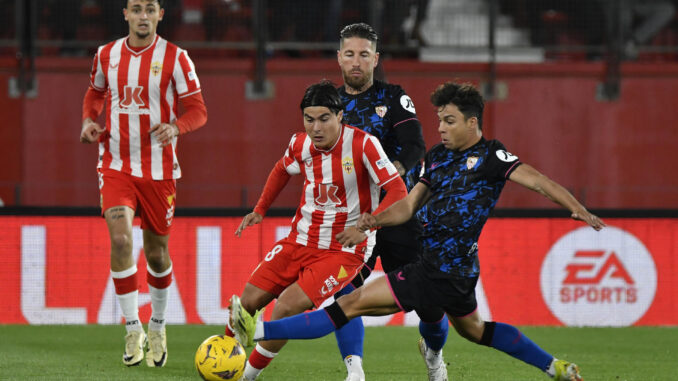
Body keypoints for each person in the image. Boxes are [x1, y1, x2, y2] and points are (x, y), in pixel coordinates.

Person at [233, 81, 606, 381]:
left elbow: (538, 181)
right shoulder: (438, 158)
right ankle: (553, 367)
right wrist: (373, 221)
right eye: (440, 120)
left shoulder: (492, 156)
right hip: (456, 270)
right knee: (475, 330)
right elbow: (409, 205)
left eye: (449, 121)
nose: (440, 128)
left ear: (472, 123)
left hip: (434, 269)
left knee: (346, 305)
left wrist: (577, 208)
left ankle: (260, 333)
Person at [225, 80, 408, 381]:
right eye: (309, 119)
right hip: (300, 239)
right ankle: (223, 359)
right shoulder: (300, 144)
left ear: (340, 116)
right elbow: (281, 169)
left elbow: (398, 189)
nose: (316, 127)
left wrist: (368, 225)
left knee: (286, 307)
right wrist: (259, 209)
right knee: (247, 300)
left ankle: (246, 375)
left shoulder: (363, 144)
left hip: (344, 250)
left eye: (324, 118)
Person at [79, 0, 207, 367]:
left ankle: (159, 324)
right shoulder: (106, 55)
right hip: (116, 165)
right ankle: (133, 325)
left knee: (156, 254)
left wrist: (175, 126)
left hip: (160, 171)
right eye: (136, 8)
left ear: (160, 14)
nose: (143, 16)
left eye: (150, 8)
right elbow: (95, 93)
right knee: (120, 239)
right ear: (125, 14)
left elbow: (198, 110)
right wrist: (90, 120)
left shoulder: (177, 58)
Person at [333, 22, 448, 381]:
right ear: (339, 58)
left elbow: (416, 146)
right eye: (349, 54)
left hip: (400, 215)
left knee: (430, 306)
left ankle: (433, 355)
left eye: (363, 55)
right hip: (354, 217)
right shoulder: (329, 104)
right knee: (343, 292)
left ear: (375, 59)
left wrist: (390, 172)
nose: (356, 61)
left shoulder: (394, 98)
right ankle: (355, 371)